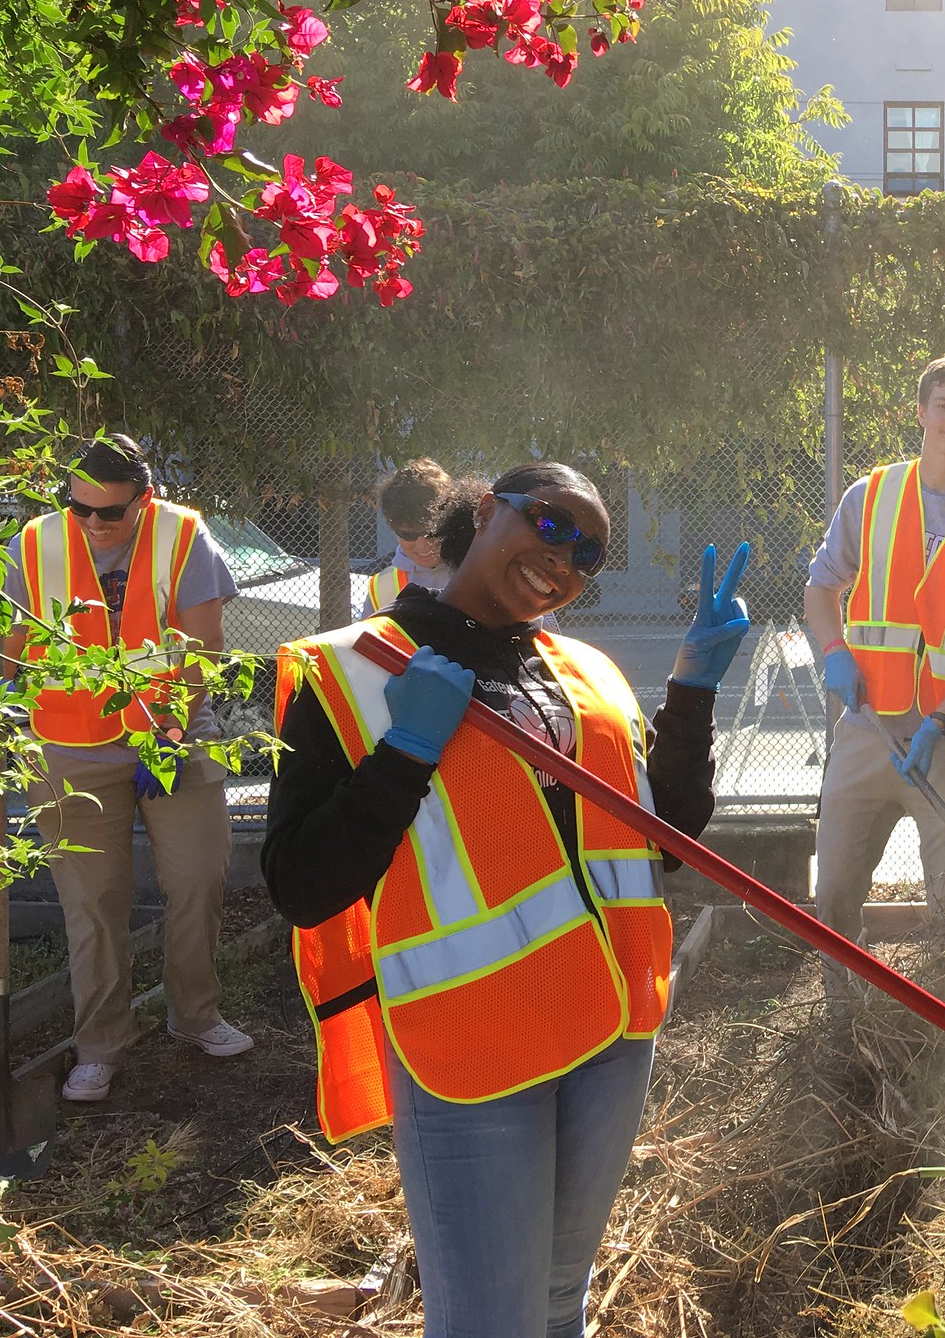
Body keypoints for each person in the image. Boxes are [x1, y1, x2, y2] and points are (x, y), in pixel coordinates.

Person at [262, 461, 749, 1338]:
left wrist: (693, 689)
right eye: (552, 524)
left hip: (612, 1028)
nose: (564, 560)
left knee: (561, 1303)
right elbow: (301, 884)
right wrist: (407, 747)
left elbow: (666, 833)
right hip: (473, 1043)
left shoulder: (585, 672)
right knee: (490, 1321)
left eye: (590, 554)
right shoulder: (354, 669)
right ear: (486, 510)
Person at [0, 434, 252, 1104]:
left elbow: (201, 649)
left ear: (144, 499)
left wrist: (167, 737)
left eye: (110, 512)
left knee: (198, 878)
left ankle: (194, 1014)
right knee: (93, 901)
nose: (94, 524)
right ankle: (101, 1044)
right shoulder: (34, 544)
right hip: (70, 746)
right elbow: (9, 647)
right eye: (80, 508)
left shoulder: (183, 538)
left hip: (172, 739)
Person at [804, 354, 945, 988]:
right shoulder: (870, 496)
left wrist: (940, 720)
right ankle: (843, 1019)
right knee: (835, 897)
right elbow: (821, 590)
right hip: (865, 727)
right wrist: (834, 653)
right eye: (944, 405)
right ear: (921, 412)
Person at [366, 458, 455, 613]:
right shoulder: (383, 587)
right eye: (408, 534)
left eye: (431, 533)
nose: (422, 546)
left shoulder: (479, 571)